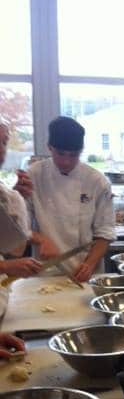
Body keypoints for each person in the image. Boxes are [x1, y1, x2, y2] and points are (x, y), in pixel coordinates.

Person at [24, 116, 115, 282]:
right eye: (61, 154)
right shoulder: (33, 176)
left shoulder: (97, 181)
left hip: (87, 273)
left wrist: (89, 264)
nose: (66, 161)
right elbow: (21, 226)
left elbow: (105, 232)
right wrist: (41, 239)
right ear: (49, 148)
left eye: (74, 155)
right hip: (46, 272)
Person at [0, 124, 42, 291]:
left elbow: (14, 250)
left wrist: (16, 202)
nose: (1, 150)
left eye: (3, 142)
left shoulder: (5, 193)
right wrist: (5, 267)